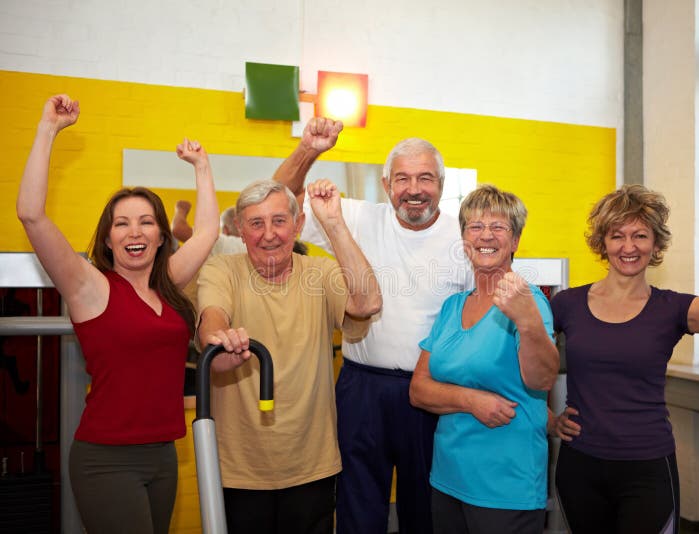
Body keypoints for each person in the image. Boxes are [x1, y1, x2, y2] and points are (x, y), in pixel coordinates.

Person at [16, 94, 220, 534]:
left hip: (165, 453)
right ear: (107, 239)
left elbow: (207, 231)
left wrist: (201, 166)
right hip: (106, 458)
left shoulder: (168, 284)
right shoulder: (88, 286)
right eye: (122, 223)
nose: (135, 231)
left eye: (147, 221)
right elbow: (31, 215)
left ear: (161, 236)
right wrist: (48, 129)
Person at [274, 119, 472, 534]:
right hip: (362, 390)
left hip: (432, 391)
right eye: (402, 178)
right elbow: (278, 201)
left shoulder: (464, 236)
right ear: (386, 184)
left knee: (428, 511)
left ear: (441, 182)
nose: (413, 189)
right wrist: (308, 150)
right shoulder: (358, 217)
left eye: (424, 178)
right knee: (357, 509)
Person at [549, 181, 699, 534]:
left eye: (640, 235)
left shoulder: (672, 309)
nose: (629, 247)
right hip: (580, 466)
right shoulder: (566, 304)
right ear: (602, 243)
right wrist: (548, 419)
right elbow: (514, 364)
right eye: (617, 236)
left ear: (656, 243)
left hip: (646, 469)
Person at [195, 178, 381, 534]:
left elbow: (367, 303)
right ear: (239, 229)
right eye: (256, 223)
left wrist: (333, 223)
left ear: (297, 226)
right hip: (239, 469)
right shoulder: (223, 270)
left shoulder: (320, 273)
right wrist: (222, 339)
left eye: (279, 221)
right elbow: (213, 320)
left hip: (312, 464)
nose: (269, 234)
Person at [409, 185, 560, 533]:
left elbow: (542, 381)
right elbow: (418, 390)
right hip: (449, 477)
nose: (486, 236)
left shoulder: (530, 303)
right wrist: (470, 400)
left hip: (506, 485)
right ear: (463, 239)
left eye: (499, 227)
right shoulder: (452, 307)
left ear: (516, 241)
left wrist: (528, 321)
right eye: (475, 227)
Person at [173, 200, 309, 256]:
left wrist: (181, 209)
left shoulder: (225, 245)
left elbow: (179, 230)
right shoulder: (273, 246)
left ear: (225, 230)